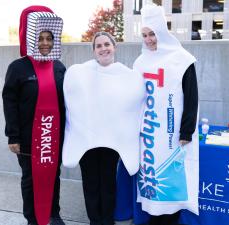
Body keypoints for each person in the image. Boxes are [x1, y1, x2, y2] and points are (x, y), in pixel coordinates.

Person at [115, 4, 199, 225]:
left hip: (172, 136)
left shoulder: (182, 59)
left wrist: (186, 131)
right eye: (144, 35)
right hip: (149, 136)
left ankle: (169, 220)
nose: (149, 39)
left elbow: (192, 97)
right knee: (152, 183)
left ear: (162, 32)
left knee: (172, 183)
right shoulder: (141, 62)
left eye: (152, 34)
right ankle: (154, 219)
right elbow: (134, 97)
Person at [62, 32, 145, 225]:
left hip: (112, 140)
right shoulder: (81, 73)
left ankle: (107, 220)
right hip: (86, 139)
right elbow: (72, 101)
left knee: (108, 183)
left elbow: (135, 104)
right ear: (93, 51)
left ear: (114, 47)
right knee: (90, 183)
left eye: (107, 44)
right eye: (98, 46)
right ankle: (95, 220)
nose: (103, 48)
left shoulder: (127, 75)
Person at [2, 5, 66, 225]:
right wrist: (13, 136)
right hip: (28, 140)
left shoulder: (59, 67)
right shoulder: (18, 68)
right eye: (40, 38)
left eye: (49, 38)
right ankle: (32, 218)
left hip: (54, 137)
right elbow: (9, 102)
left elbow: (66, 103)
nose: (45, 43)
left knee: (53, 177)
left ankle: (53, 214)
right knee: (30, 179)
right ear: (31, 38)